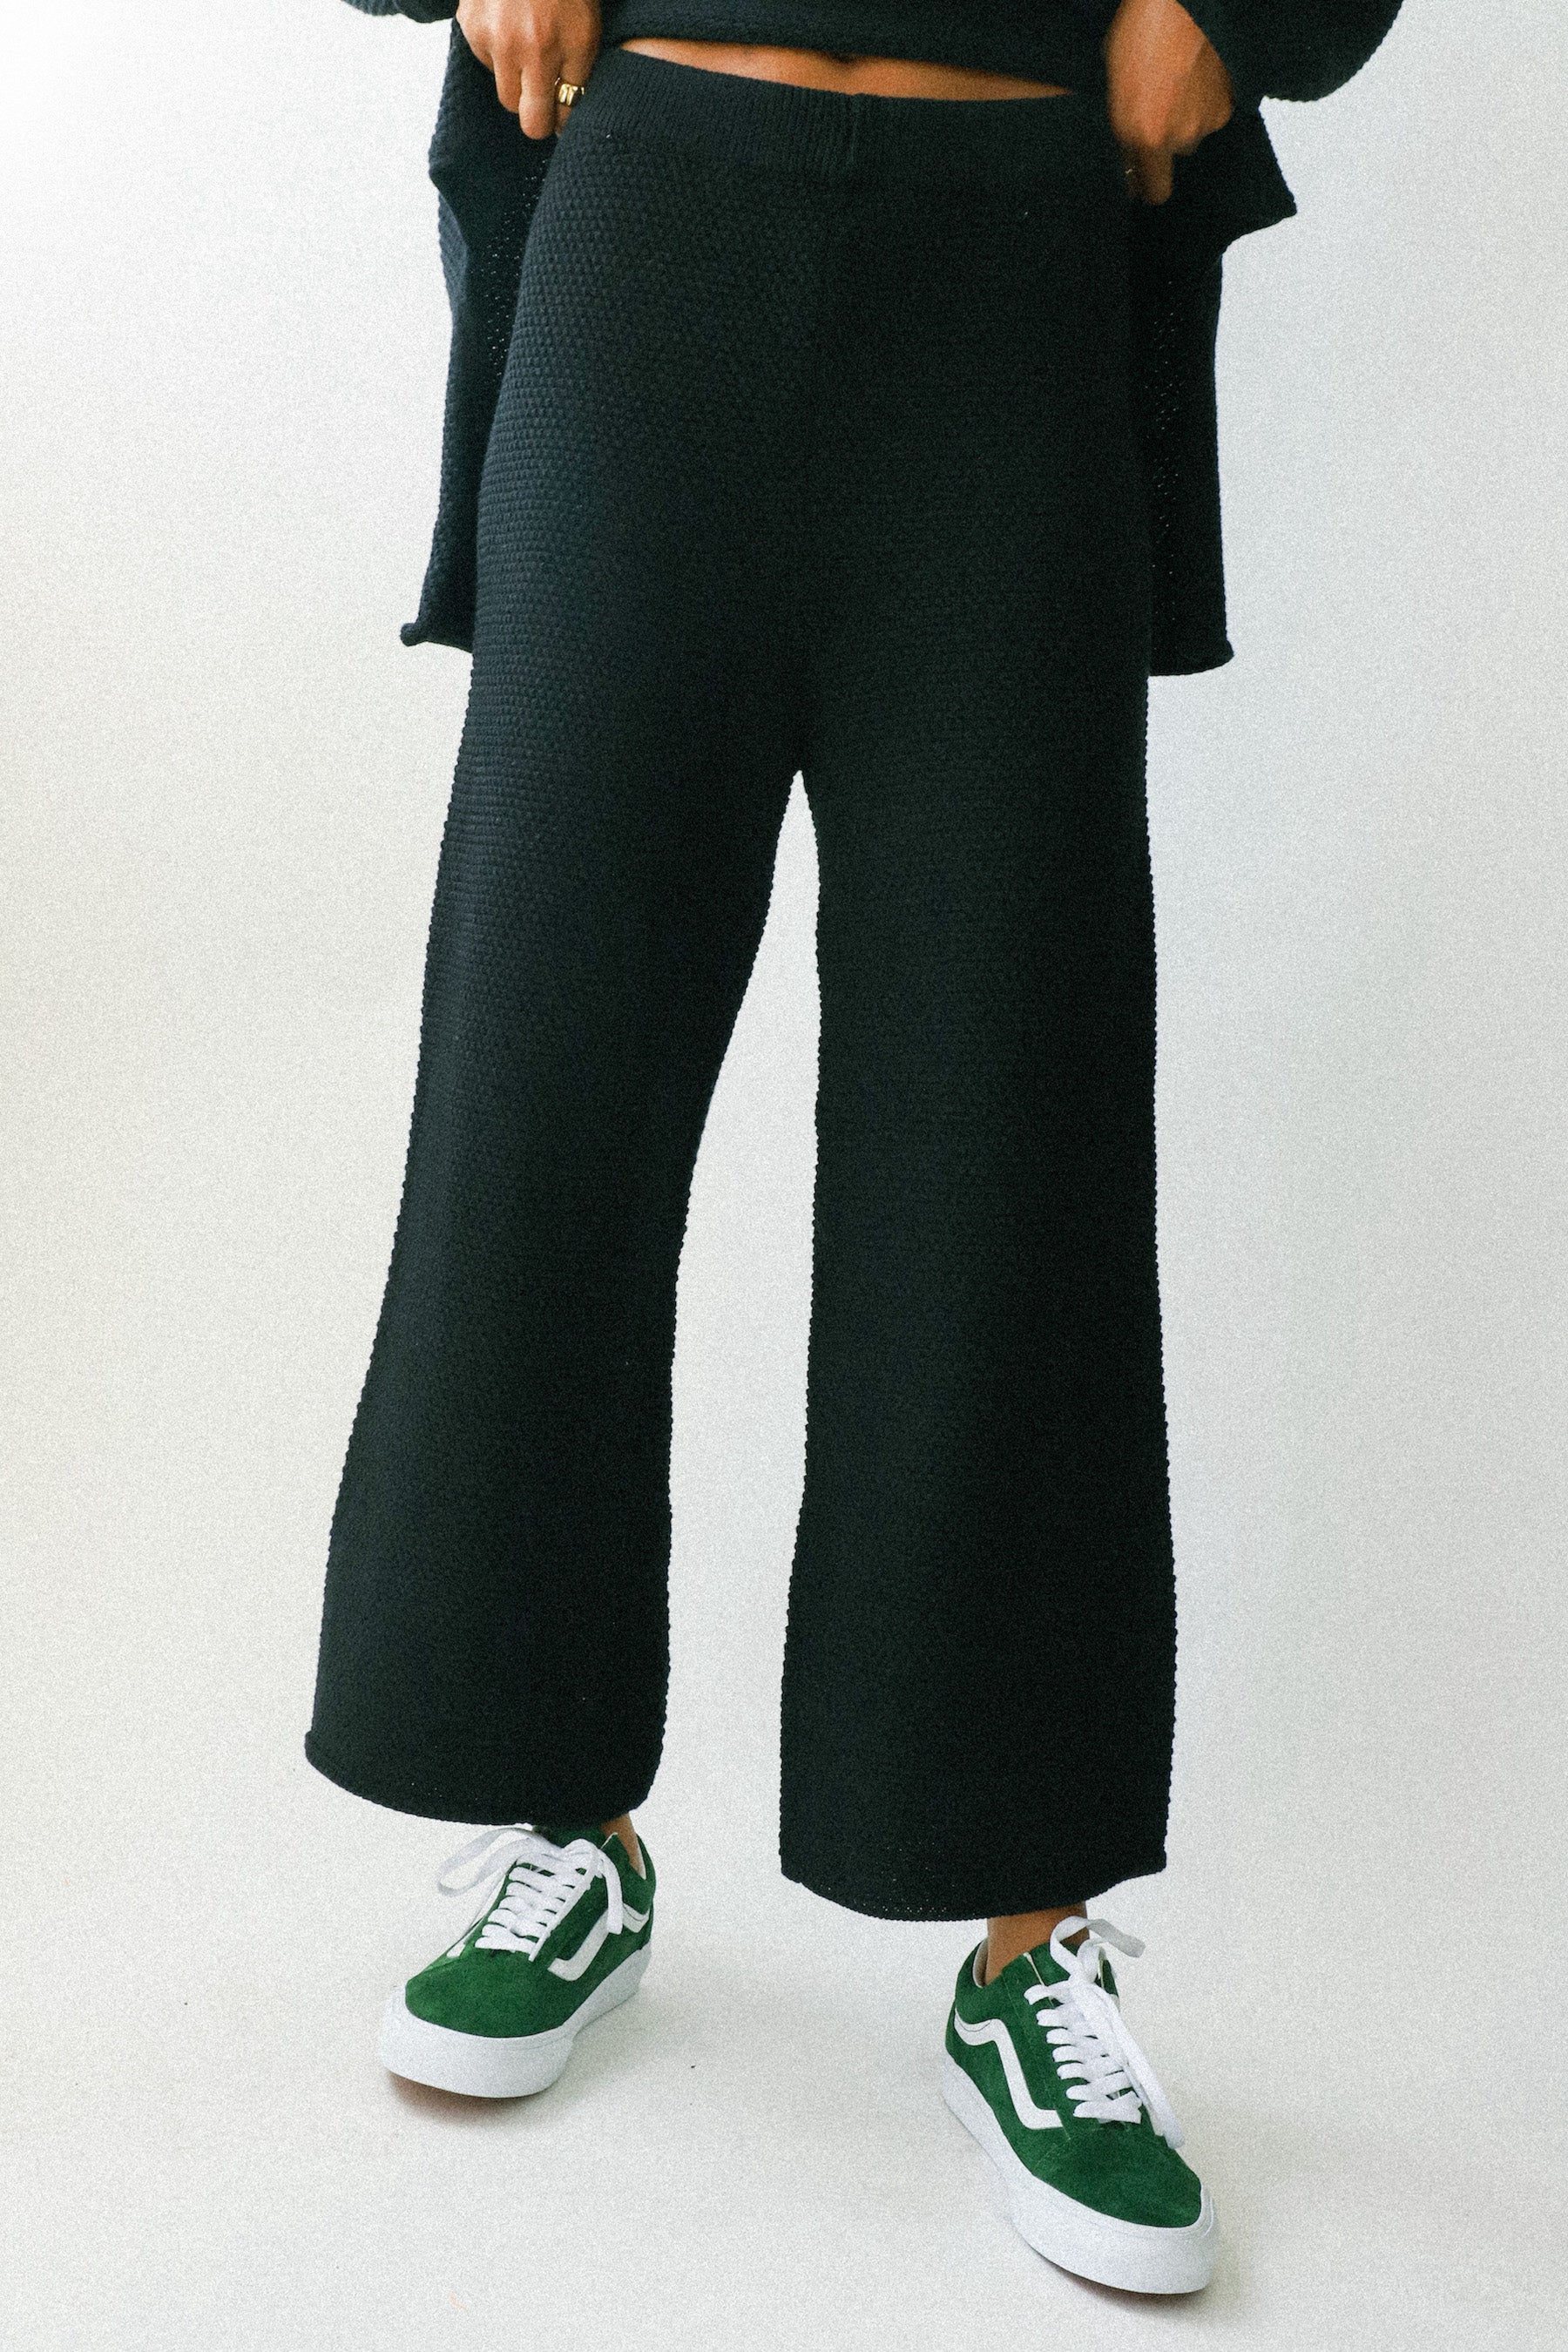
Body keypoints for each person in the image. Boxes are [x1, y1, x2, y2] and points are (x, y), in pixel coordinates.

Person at [309, 0, 1402, 2297]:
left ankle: (1024, 1933)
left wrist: (1235, 11)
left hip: (1014, 248)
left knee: (1007, 1100)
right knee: (548, 1058)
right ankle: (561, 1817)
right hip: (655, 214)